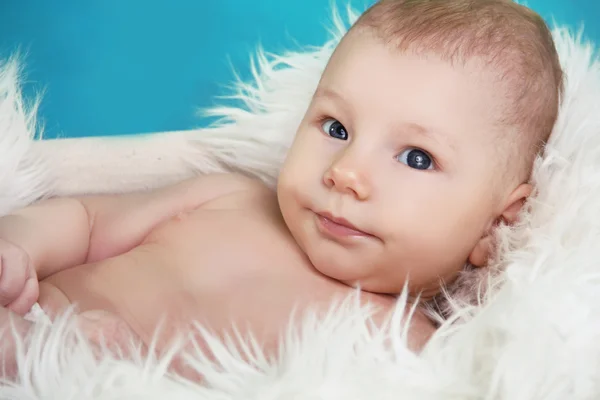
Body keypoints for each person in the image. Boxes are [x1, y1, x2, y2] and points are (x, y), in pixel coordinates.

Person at [0, 0, 563, 376]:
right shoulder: (225, 198)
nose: (346, 171)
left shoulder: (409, 348)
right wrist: (17, 247)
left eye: (416, 157)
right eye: (335, 128)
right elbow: (84, 219)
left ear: (496, 225)